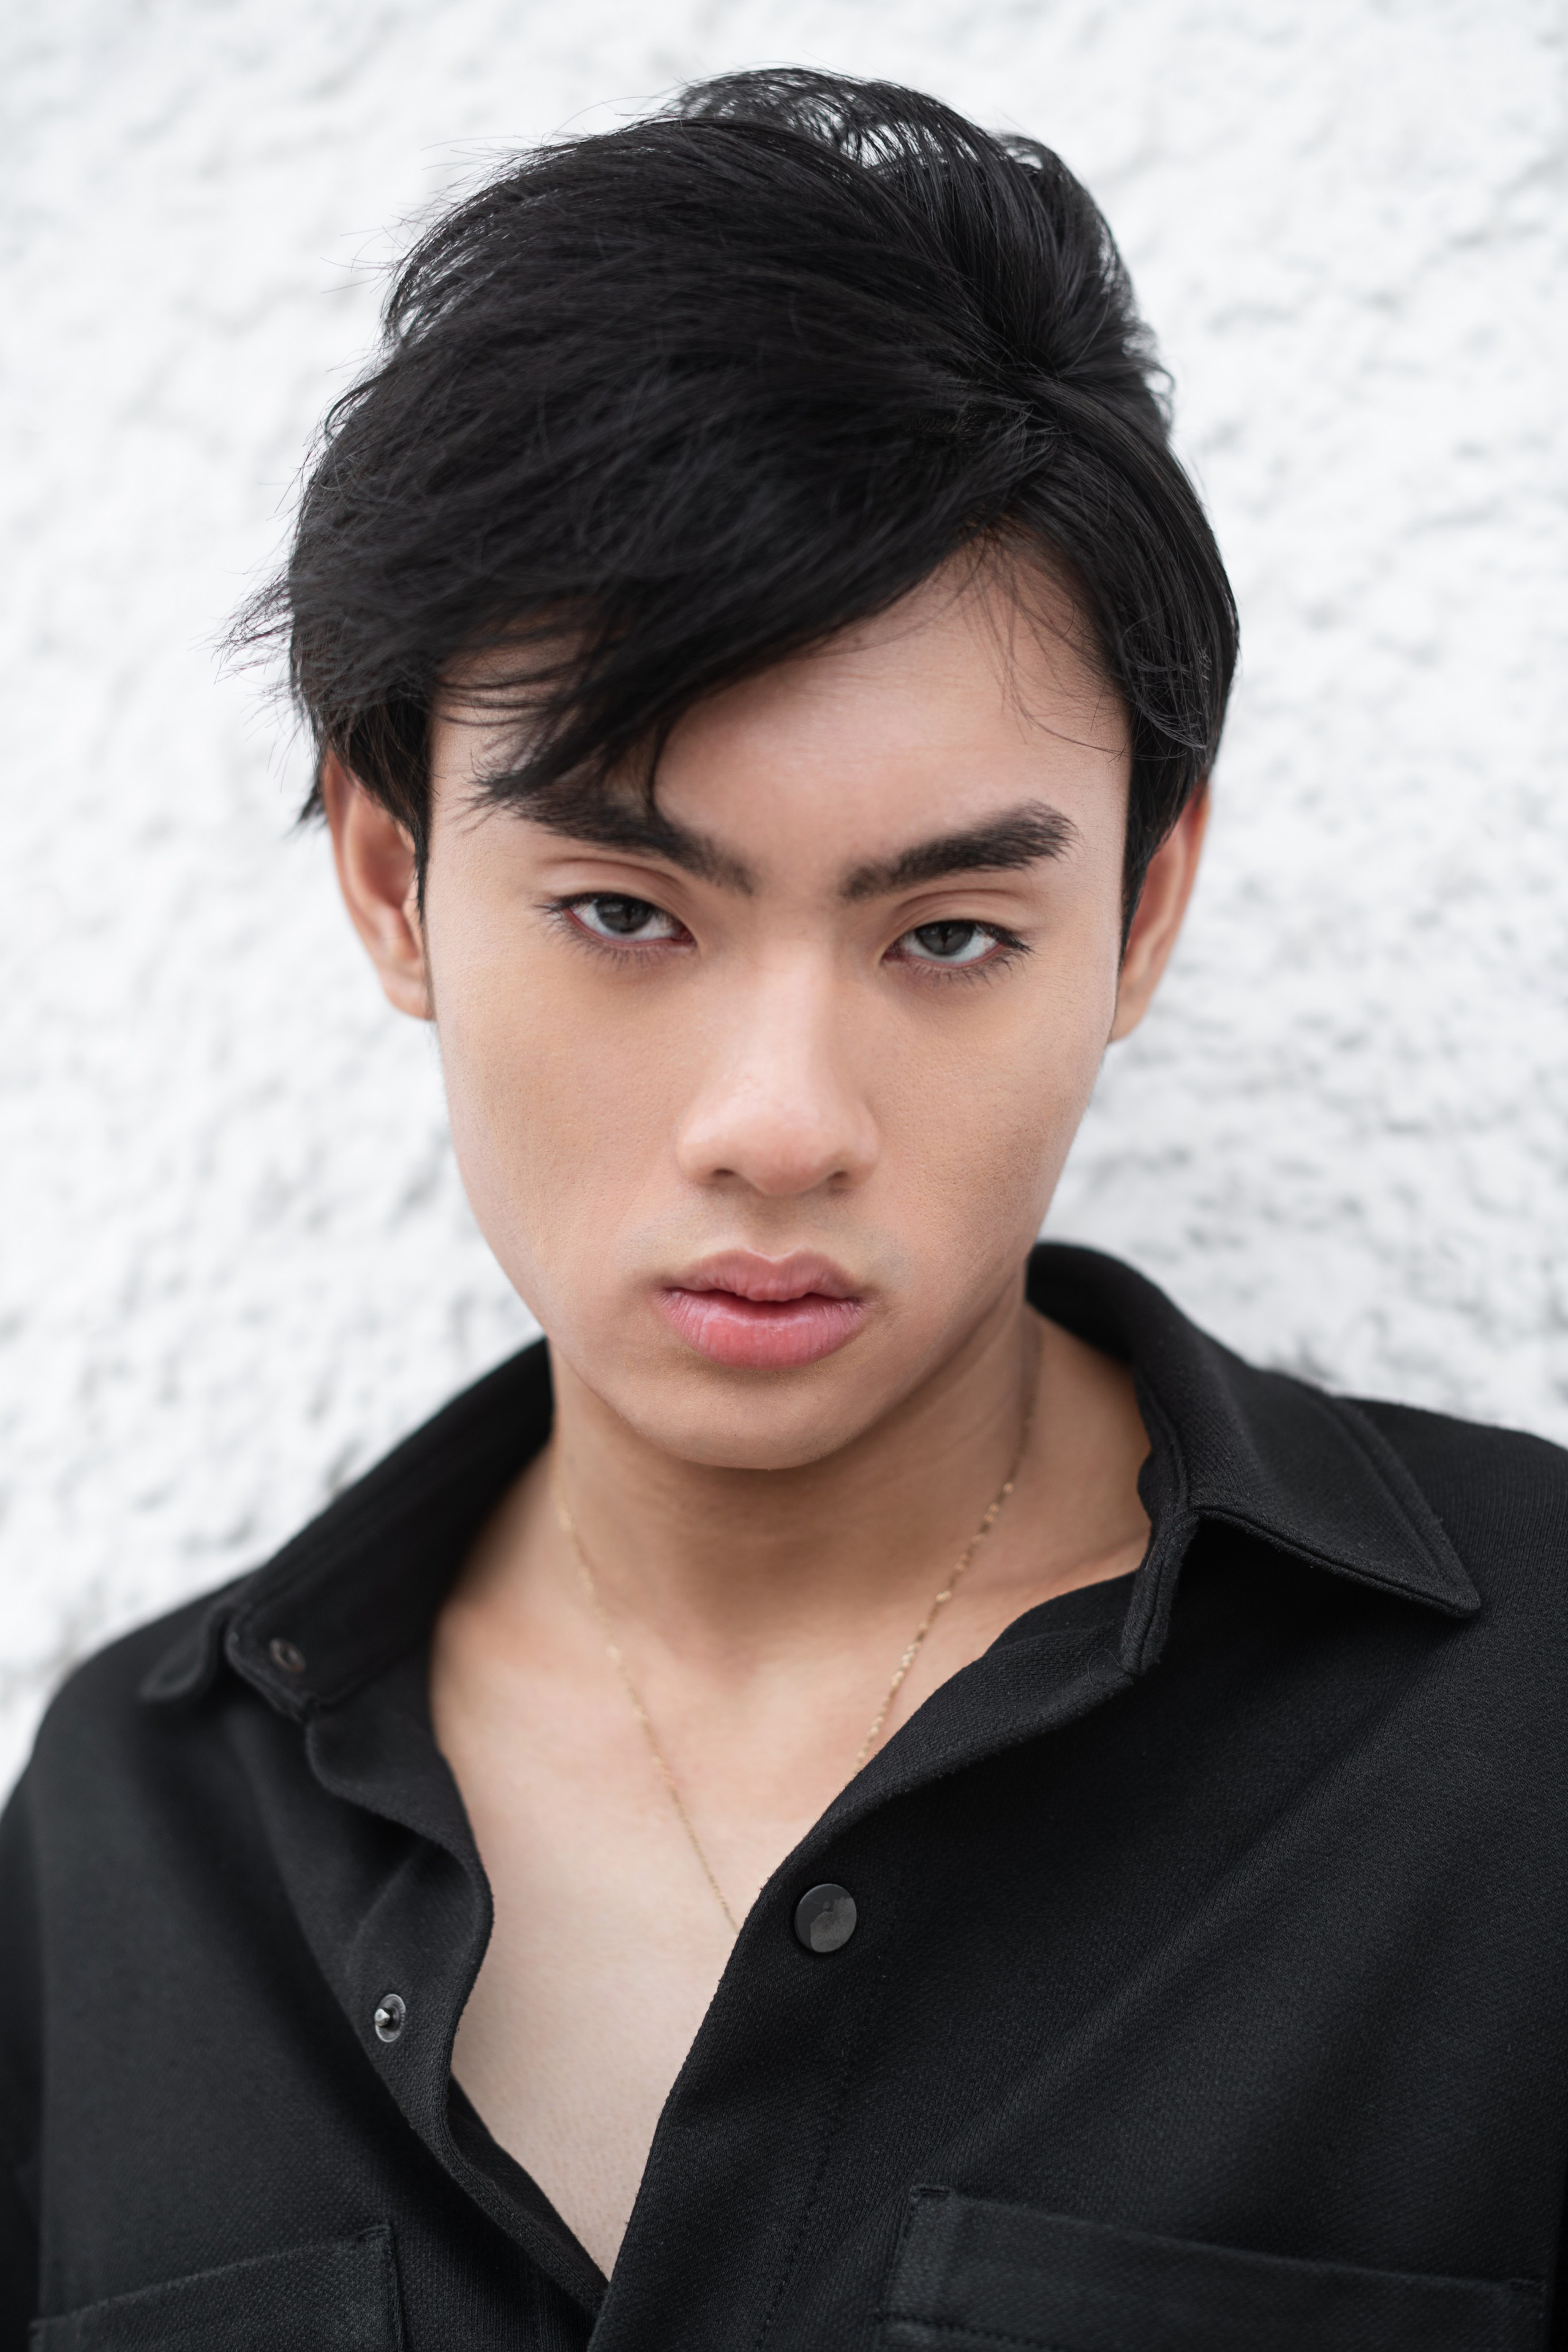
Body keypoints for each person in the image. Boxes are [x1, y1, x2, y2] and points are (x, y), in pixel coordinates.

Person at [4, 66, 1566, 2352]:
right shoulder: (124, 1842)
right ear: (391, 879)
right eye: (630, 912)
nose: (775, 1122)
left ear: (1141, 916)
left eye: (946, 935)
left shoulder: (1523, 1733)